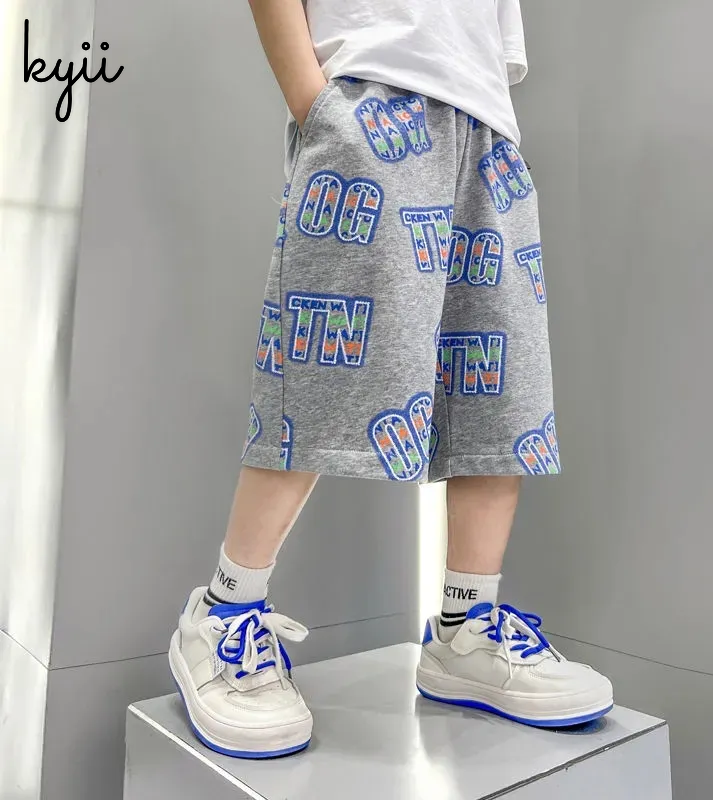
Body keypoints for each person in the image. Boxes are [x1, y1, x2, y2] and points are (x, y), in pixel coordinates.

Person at [168, 0, 613, 759]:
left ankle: (466, 631)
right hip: (371, 100)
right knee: (322, 376)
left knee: (500, 395)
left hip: (488, 129)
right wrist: (317, 107)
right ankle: (223, 612)